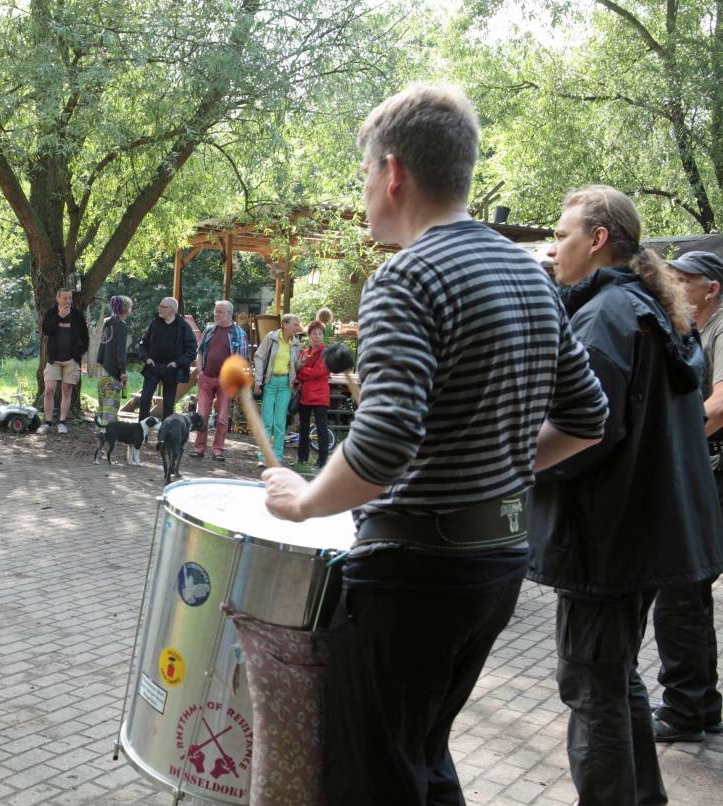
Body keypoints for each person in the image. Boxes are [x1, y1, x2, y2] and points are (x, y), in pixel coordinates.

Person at [262, 84, 608, 805]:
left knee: (370, 778)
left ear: (394, 173)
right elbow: (586, 416)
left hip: (413, 575)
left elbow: (385, 442)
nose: (363, 194)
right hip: (496, 568)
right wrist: (502, 476)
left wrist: (305, 502)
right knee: (421, 758)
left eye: (363, 176)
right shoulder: (530, 274)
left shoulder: (407, 277)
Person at [528, 187, 723, 803]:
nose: (555, 246)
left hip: (606, 540)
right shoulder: (649, 309)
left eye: (562, 234)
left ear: (598, 238)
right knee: (614, 681)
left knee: (591, 687)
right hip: (639, 536)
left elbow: (586, 430)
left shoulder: (608, 316)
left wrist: (509, 458)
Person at [653, 250, 723, 743]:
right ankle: (701, 705)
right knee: (687, 592)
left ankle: (685, 710)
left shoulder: (722, 327)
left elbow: (719, 406)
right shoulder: (691, 326)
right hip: (702, 470)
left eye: (683, 278)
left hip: (712, 473)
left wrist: (673, 439)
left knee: (680, 589)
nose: (673, 283)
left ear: (711, 288)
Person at [192, 299, 248, 460]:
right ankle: (199, 448)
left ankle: (218, 449)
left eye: (220, 312)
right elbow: (200, 351)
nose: (216, 314)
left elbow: (241, 360)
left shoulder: (239, 333)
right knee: (202, 414)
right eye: (215, 311)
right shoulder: (209, 330)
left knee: (222, 417)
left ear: (229, 314)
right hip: (206, 377)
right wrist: (200, 369)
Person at [252, 313, 302, 466]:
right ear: (285, 324)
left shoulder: (296, 343)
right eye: (294, 324)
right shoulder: (271, 338)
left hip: (285, 385)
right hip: (270, 382)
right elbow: (259, 357)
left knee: (280, 422)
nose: (297, 327)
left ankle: (278, 457)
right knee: (267, 422)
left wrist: (302, 363)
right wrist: (258, 382)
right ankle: (263, 457)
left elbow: (296, 366)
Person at [137, 296, 197, 420]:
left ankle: (165, 435)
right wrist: (146, 358)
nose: (159, 308)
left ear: (172, 310)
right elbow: (143, 343)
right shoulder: (155, 323)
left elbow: (191, 350)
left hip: (172, 369)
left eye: (163, 307)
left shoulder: (183, 327)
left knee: (169, 404)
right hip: (153, 366)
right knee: (145, 398)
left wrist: (177, 363)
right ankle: (141, 433)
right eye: (160, 306)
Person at [38, 288, 89, 433]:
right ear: (58, 299)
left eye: (70, 298)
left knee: (67, 390)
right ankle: (47, 422)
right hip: (54, 359)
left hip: (71, 360)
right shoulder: (51, 313)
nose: (68, 301)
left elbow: (85, 337)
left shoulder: (78, 315)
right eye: (65, 298)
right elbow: (46, 330)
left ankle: (62, 422)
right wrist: (59, 317)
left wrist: (79, 353)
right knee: (48, 390)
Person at [293, 319, 330, 474]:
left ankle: (322, 460)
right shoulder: (304, 352)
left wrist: (303, 370)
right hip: (305, 395)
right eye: (314, 333)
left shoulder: (326, 353)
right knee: (303, 428)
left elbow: (320, 372)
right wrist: (302, 372)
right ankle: (302, 458)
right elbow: (297, 373)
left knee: (321, 428)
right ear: (309, 336)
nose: (317, 336)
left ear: (323, 336)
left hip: (320, 395)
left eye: (320, 333)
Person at [96, 295, 133, 424]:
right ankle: (108, 431)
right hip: (113, 370)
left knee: (102, 401)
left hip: (102, 369)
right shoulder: (121, 326)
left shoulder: (106, 323)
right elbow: (120, 350)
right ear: (126, 309)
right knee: (111, 404)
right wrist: (122, 371)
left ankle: (100, 428)